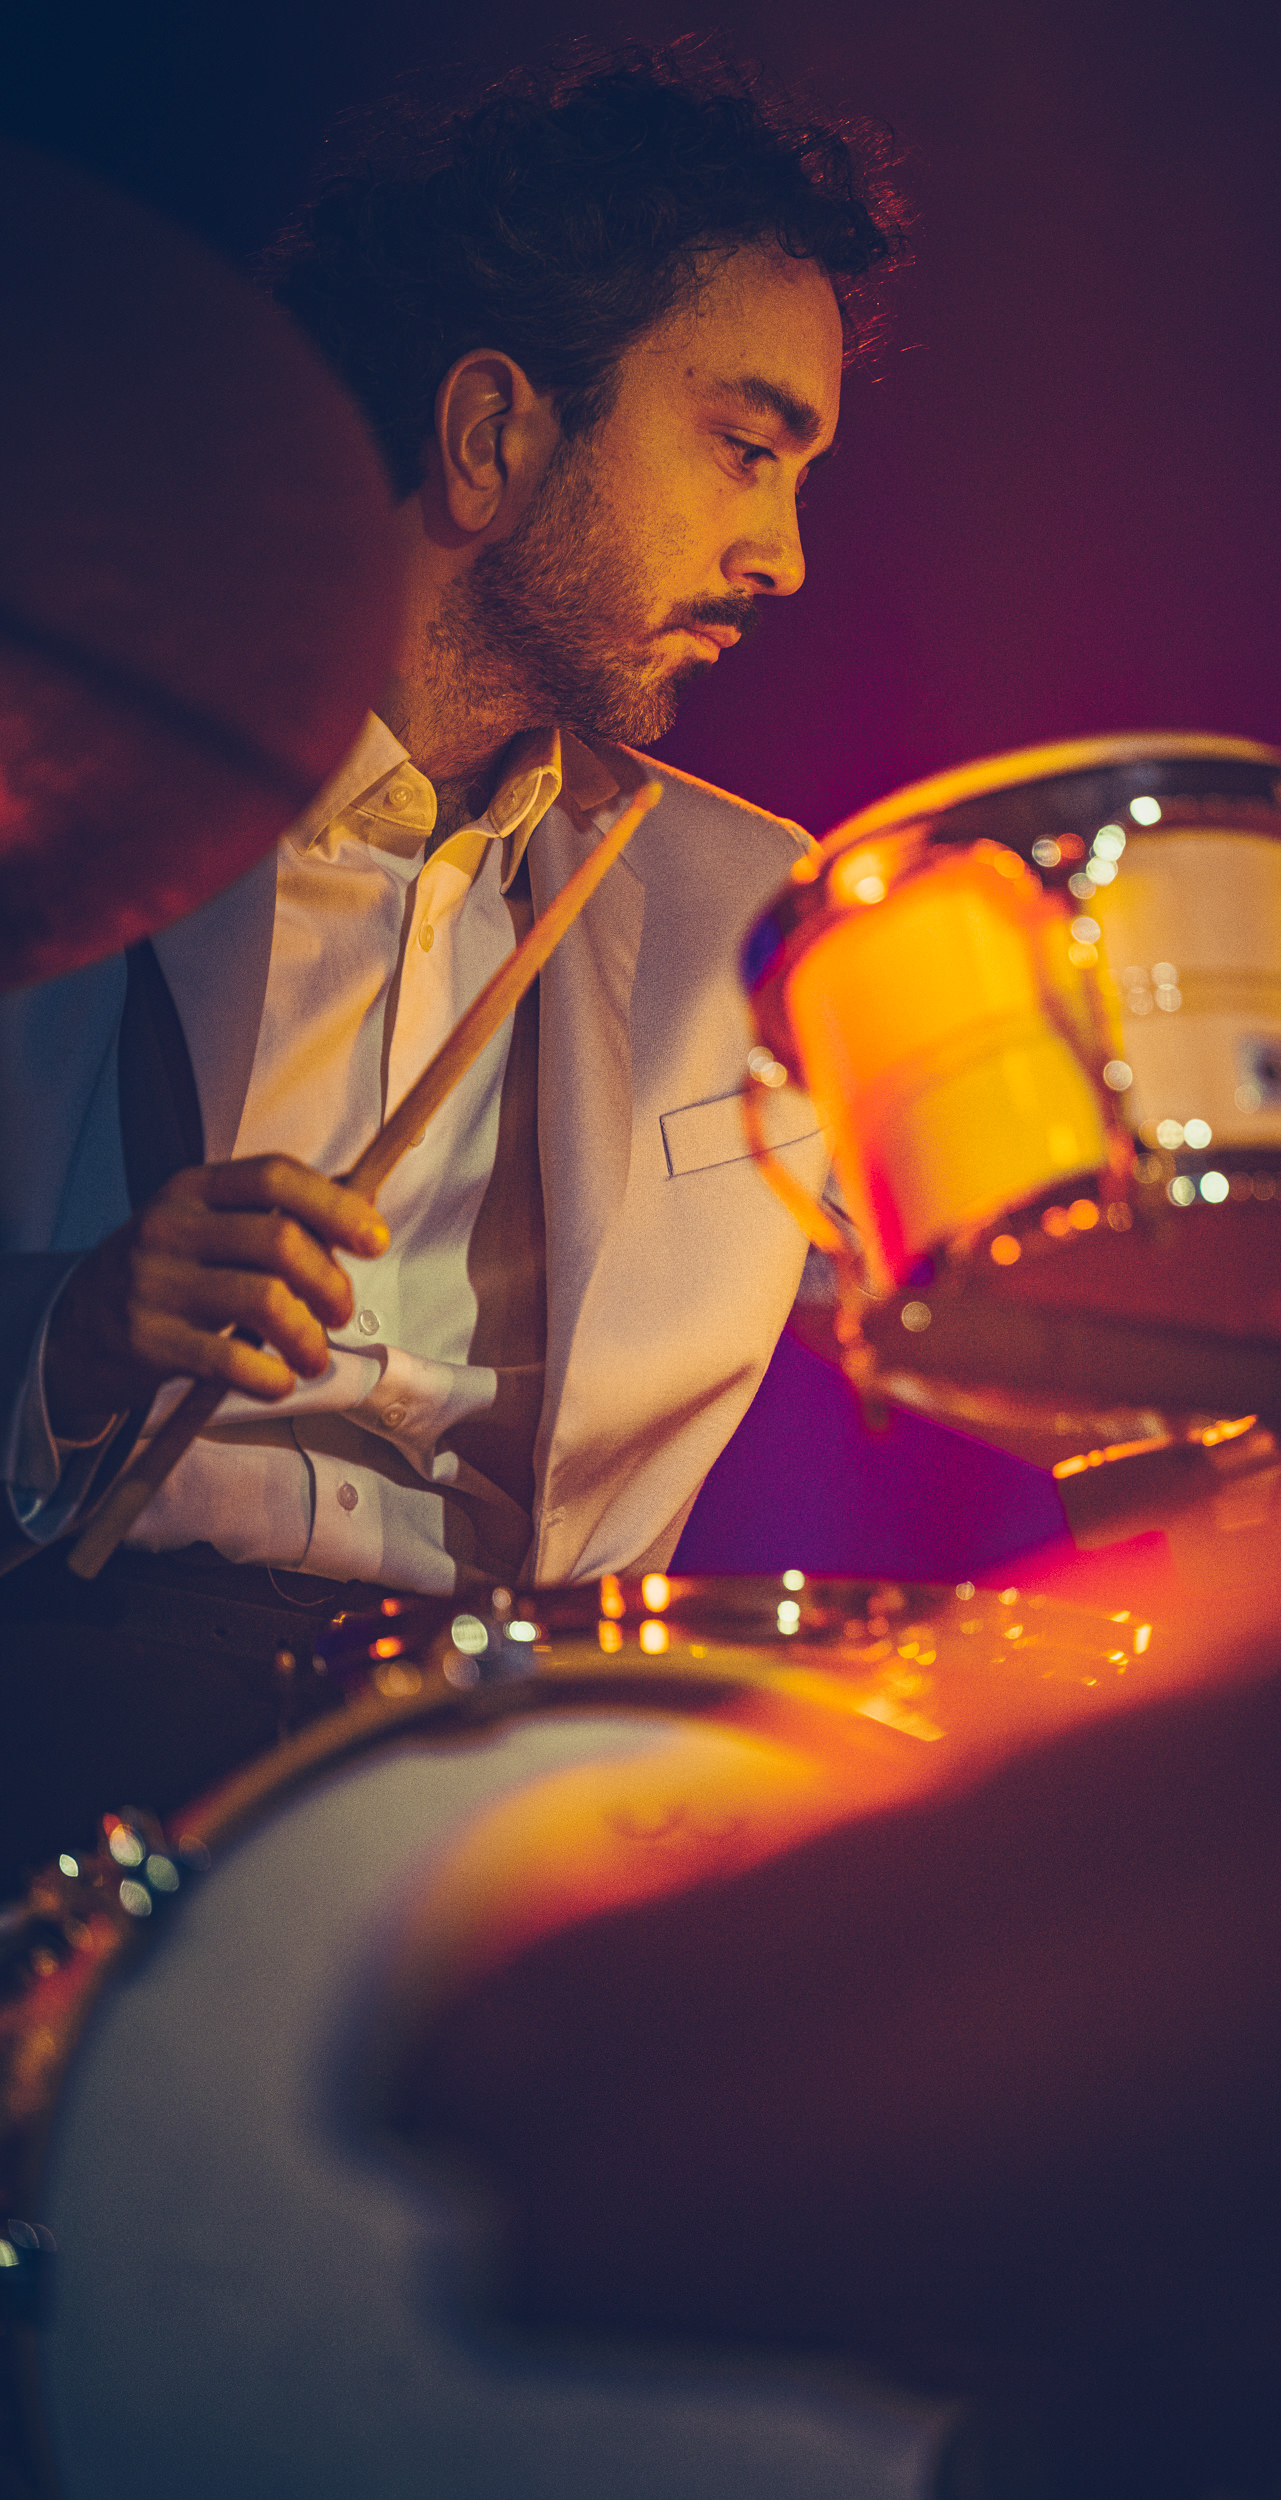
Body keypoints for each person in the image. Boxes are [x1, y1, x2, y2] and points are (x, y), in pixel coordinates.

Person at [0, 50, 906, 1881]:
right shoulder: (69, 786)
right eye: (746, 451)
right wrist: (69, 1327)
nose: (787, 557)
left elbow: (1016, 1293)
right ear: (492, 434)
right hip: (80, 1694)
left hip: (510, 1776)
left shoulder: (770, 911)